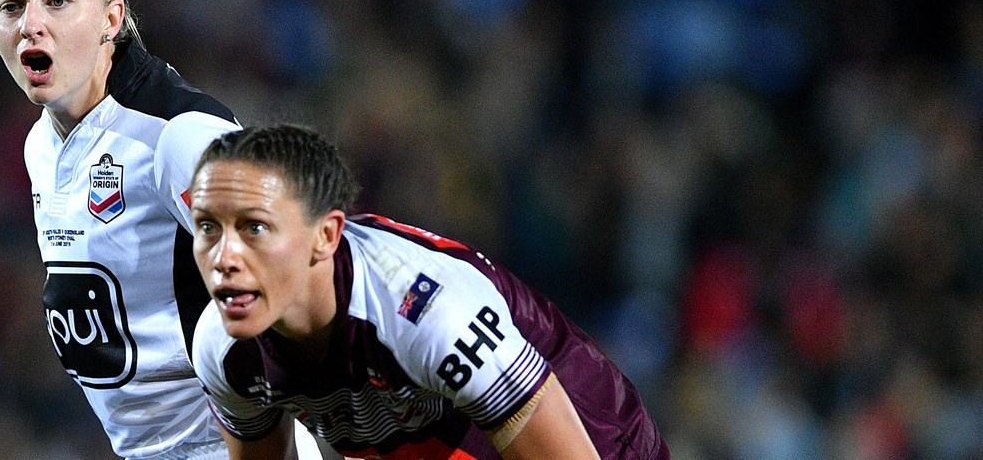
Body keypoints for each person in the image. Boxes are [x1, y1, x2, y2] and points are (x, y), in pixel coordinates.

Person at [0, 0, 339, 460]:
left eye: (57, 1)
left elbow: (302, 267)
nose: (30, 23)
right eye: (10, 5)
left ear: (111, 18)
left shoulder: (177, 134)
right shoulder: (42, 144)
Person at [188, 125, 670, 459]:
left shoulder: (425, 311)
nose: (224, 256)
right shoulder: (222, 348)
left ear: (326, 236)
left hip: (583, 430)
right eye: (208, 226)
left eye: (254, 227)